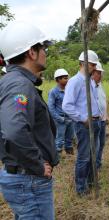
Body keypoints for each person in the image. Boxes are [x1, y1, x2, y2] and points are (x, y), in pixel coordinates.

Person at [0, 21, 58, 219]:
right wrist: (37, 164)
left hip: (23, 178)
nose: (45, 53)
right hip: (29, 179)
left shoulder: (12, 81)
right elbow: (14, 131)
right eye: (43, 48)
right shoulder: (19, 85)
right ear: (31, 52)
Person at [62, 49, 102, 195]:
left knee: (94, 155)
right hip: (84, 125)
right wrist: (83, 118)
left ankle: (92, 183)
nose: (94, 68)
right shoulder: (75, 81)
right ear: (83, 63)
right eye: (92, 65)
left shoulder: (90, 81)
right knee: (84, 157)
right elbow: (67, 105)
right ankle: (81, 188)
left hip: (96, 123)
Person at [48, 68, 74, 155]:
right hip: (60, 120)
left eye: (67, 77)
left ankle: (69, 155)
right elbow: (51, 108)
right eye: (65, 78)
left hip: (70, 118)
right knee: (59, 140)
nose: (67, 79)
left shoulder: (69, 90)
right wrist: (59, 119)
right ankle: (57, 159)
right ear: (58, 79)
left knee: (69, 138)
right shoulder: (53, 92)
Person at [92, 62, 108, 169]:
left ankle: (98, 163)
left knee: (102, 143)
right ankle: (93, 166)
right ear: (92, 73)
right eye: (98, 73)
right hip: (95, 121)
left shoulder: (100, 85)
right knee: (95, 145)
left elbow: (103, 101)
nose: (100, 75)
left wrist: (106, 116)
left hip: (102, 120)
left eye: (101, 73)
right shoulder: (89, 86)